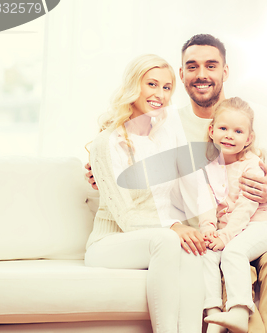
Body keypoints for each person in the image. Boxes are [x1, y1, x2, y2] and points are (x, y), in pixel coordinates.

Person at [86, 34, 267, 332]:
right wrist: (103, 174)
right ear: (182, 75)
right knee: (214, 262)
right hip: (205, 228)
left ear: (225, 72)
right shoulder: (166, 122)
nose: (201, 74)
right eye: (192, 67)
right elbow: (136, 163)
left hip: (256, 223)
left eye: (211, 65)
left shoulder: (257, 118)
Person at [84, 54, 204, 333]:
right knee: (168, 239)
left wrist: (205, 227)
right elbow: (126, 216)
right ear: (133, 85)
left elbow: (186, 188)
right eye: (152, 84)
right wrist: (174, 226)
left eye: (166, 87)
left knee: (191, 249)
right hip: (109, 242)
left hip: (154, 236)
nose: (159, 94)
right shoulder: (108, 141)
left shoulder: (166, 134)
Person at [199, 97, 267, 333]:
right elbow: (204, 202)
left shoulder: (252, 165)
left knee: (233, 253)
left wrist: (225, 237)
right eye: (223, 128)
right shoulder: (207, 167)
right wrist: (208, 230)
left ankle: (239, 312)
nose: (229, 135)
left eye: (238, 131)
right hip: (230, 229)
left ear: (249, 138)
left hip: (260, 224)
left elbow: (246, 208)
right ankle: (213, 314)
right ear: (212, 131)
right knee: (206, 252)